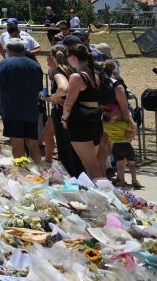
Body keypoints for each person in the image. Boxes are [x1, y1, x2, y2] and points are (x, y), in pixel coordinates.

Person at [60, 43, 110, 179]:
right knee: (92, 165)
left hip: (80, 124)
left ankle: (104, 197)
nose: (67, 60)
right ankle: (99, 194)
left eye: (67, 56)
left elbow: (68, 103)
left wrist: (64, 118)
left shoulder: (76, 77)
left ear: (74, 58)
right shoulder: (95, 75)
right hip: (95, 122)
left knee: (92, 166)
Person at [0, 40, 44, 162]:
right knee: (32, 143)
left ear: (8, 50)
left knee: (17, 143)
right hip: (31, 110)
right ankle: (38, 169)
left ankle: (23, 173)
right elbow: (39, 88)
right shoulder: (35, 65)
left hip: (12, 110)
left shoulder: (5, 63)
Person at [103, 102, 141, 189]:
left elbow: (104, 134)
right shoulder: (123, 124)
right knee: (132, 164)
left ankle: (122, 180)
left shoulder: (105, 126)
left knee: (119, 165)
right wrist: (130, 118)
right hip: (127, 145)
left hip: (116, 146)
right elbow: (134, 127)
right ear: (116, 115)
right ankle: (134, 179)